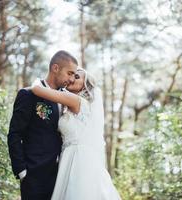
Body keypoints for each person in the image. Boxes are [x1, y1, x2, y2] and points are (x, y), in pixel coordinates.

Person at [31, 67, 121, 200]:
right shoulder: (77, 105)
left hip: (78, 160)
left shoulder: (76, 101)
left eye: (77, 77)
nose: (71, 79)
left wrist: (36, 81)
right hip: (72, 157)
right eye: (71, 75)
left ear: (85, 85)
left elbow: (37, 90)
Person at [7, 50, 78, 200]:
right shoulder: (28, 95)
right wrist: (22, 171)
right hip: (34, 176)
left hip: (61, 175)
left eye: (74, 75)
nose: (71, 79)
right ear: (55, 68)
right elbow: (15, 134)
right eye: (69, 73)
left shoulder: (67, 99)